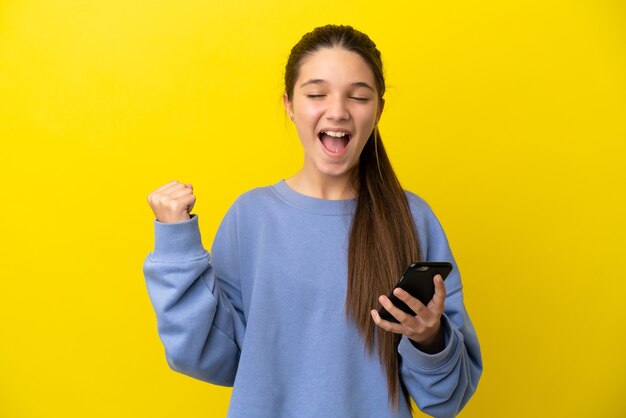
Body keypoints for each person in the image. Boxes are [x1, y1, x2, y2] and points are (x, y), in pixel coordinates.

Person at [143, 24, 482, 418]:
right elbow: (207, 356)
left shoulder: (412, 220)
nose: (337, 110)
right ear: (289, 104)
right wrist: (176, 246)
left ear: (379, 110)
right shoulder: (251, 218)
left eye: (358, 96)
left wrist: (429, 337)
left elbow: (447, 399)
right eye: (317, 94)